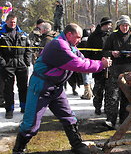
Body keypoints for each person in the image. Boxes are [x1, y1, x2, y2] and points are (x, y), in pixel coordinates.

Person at [12, 23, 112, 154]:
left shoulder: (71, 46)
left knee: (68, 116)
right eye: (78, 37)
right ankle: (18, 149)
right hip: (41, 86)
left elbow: (83, 59)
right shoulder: (58, 45)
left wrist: (100, 61)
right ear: (69, 34)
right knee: (31, 123)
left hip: (56, 87)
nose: (80, 40)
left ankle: (77, 144)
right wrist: (101, 64)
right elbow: (79, 64)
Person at [103, 15, 131, 127]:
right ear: (119, 25)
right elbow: (104, 51)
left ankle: (124, 120)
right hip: (114, 70)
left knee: (126, 95)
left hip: (128, 71)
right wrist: (112, 53)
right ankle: (111, 120)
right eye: (123, 25)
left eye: (127, 25)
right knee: (112, 96)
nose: (125, 28)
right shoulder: (112, 37)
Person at [0, 13, 32, 119]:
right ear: (6, 21)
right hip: (7, 64)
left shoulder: (23, 34)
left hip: (21, 63)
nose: (13, 24)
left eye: (14, 22)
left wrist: (27, 62)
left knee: (23, 87)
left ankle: (24, 107)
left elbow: (29, 49)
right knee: (8, 88)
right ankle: (9, 109)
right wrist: (2, 63)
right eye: (11, 22)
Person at [86, 17, 113, 114]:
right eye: (108, 25)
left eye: (110, 25)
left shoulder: (111, 35)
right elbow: (88, 52)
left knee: (109, 90)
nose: (109, 27)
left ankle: (108, 109)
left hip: (110, 67)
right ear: (103, 25)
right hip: (98, 66)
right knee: (98, 89)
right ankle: (97, 107)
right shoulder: (93, 36)